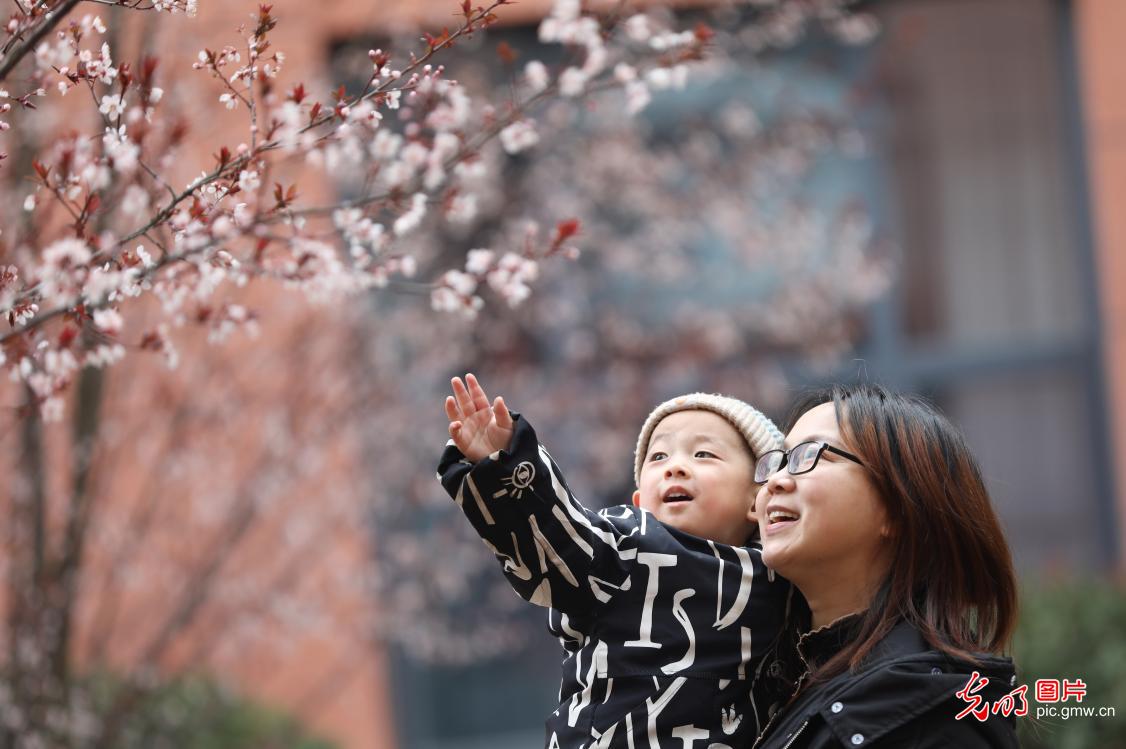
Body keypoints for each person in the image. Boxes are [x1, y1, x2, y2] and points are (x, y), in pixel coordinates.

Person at [438, 373, 793, 748]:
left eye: (703, 454)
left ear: (758, 499)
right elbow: (559, 541)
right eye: (659, 456)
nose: (675, 466)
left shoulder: (779, 576)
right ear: (639, 502)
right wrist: (505, 465)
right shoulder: (627, 546)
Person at [748, 383, 1020, 748]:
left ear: (897, 506)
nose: (775, 482)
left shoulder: (931, 714)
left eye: (807, 456)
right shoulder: (773, 683)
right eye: (776, 461)